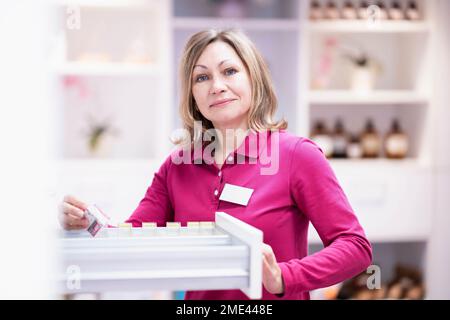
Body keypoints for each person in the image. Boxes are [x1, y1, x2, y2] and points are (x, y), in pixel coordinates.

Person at [59, 29, 372, 300]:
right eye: (202, 77)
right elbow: (131, 240)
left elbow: (355, 247)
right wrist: (88, 223)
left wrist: (284, 277)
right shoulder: (178, 165)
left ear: (254, 78)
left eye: (230, 71)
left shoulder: (296, 156)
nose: (217, 86)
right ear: (193, 94)